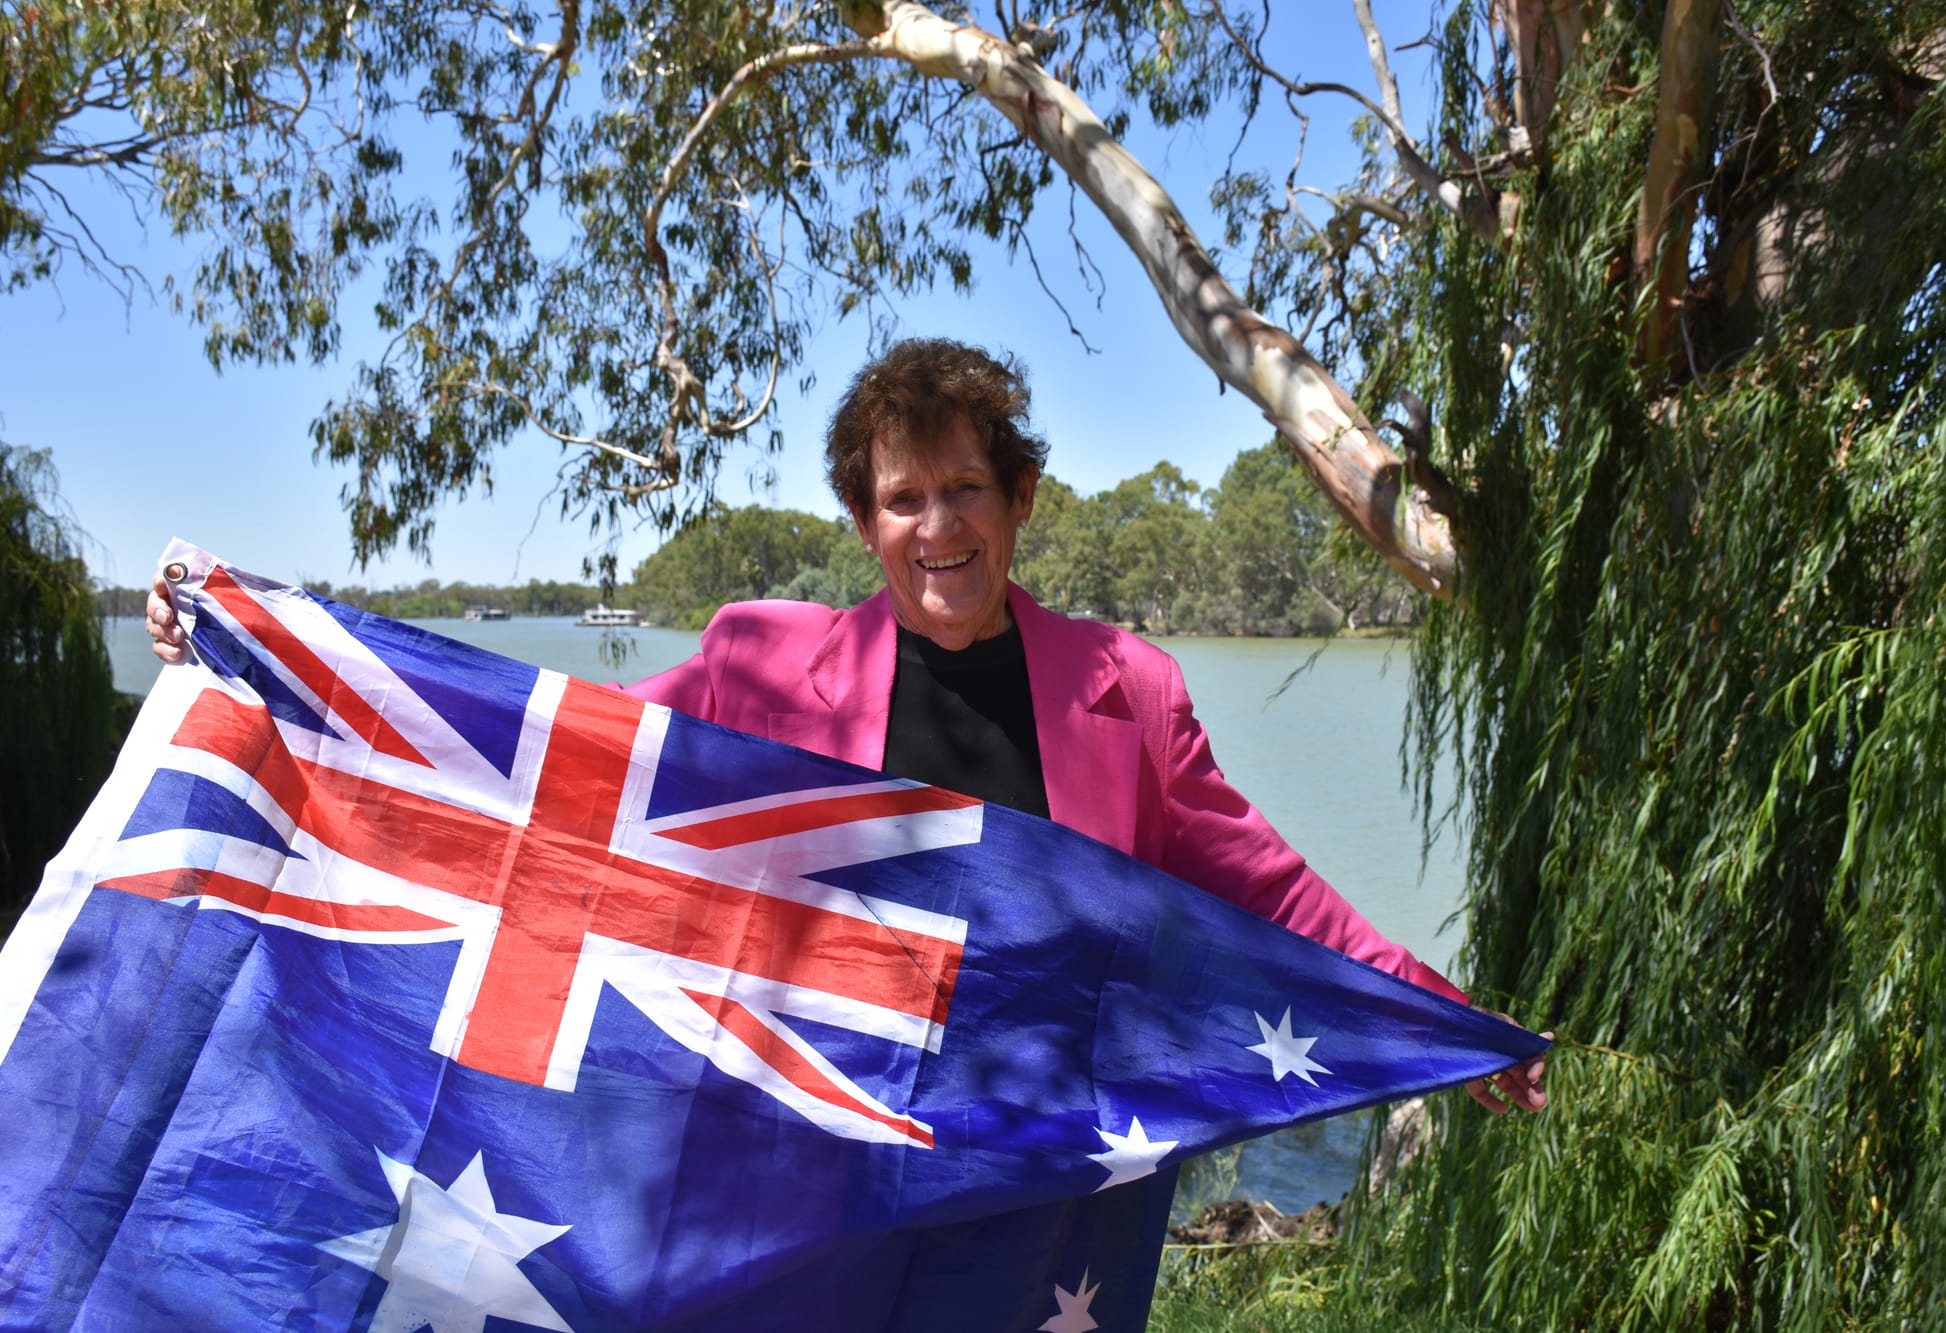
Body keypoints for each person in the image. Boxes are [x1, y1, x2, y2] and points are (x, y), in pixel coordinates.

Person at [148, 336, 1546, 1314]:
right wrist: (270, 649)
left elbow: (1271, 891)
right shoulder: (763, 658)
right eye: (902, 498)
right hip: (819, 1148)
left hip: (1046, 1163)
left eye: (964, 490)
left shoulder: (1131, 688)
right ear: (866, 522)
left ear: (1019, 501)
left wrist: (1442, 1019)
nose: (937, 525)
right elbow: (550, 751)